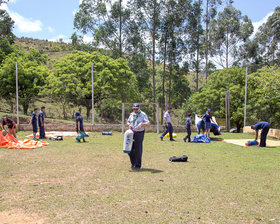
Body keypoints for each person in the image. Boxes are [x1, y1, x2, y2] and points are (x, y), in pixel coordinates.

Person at [127, 103, 150, 171]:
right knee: (129, 149)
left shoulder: (143, 114)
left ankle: (137, 165)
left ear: (139, 108)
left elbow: (148, 124)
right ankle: (133, 162)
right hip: (131, 133)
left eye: (136, 109)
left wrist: (142, 124)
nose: (135, 110)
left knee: (138, 149)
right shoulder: (131, 114)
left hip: (139, 133)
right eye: (134, 109)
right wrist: (129, 125)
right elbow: (128, 121)